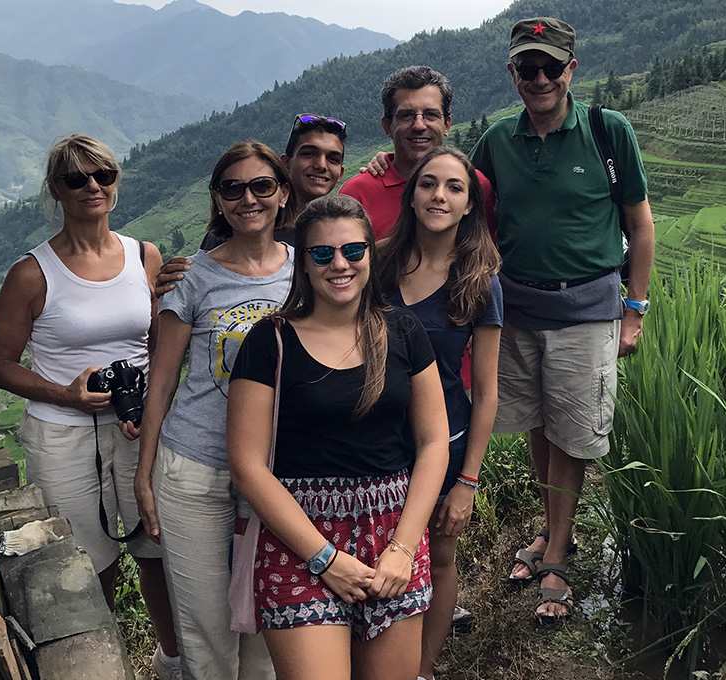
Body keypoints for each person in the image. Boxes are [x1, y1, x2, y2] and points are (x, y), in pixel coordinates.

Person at [469, 17, 655, 622]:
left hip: (587, 309)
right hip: (518, 308)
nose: (541, 78)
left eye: (552, 66)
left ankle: (555, 553)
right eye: (529, 68)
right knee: (537, 421)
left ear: (571, 69)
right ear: (513, 74)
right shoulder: (498, 141)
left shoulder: (608, 131)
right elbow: (470, 216)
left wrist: (635, 309)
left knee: (573, 428)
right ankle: (557, 532)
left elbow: (641, 224)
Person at [228, 194, 449, 680]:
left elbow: (434, 441)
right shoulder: (271, 341)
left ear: (371, 252)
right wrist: (324, 558)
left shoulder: (404, 331)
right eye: (323, 254)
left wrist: (404, 548)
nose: (340, 264)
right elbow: (247, 464)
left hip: (392, 531)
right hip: (299, 538)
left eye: (353, 250)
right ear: (303, 263)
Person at [0, 134, 180, 678]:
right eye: (76, 178)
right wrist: (65, 394)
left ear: (116, 181)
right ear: (57, 189)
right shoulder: (34, 272)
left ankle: (170, 660)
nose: (92, 186)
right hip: (63, 435)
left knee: (154, 548)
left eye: (103, 174)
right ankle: (97, 664)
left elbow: (158, 342)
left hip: (136, 425)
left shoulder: (144, 255)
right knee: (86, 560)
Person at [134, 141, 294, 679]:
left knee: (267, 619)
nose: (248, 198)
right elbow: (162, 382)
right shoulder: (191, 278)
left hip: (276, 472)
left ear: (283, 193)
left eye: (261, 186)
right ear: (218, 201)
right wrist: (145, 473)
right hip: (194, 468)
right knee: (206, 626)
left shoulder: (306, 270)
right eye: (233, 188)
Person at [377, 146, 502, 680]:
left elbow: (488, 391)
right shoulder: (375, 261)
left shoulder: (478, 280)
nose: (439, 196)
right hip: (373, 439)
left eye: (454, 188)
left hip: (443, 444)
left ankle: (422, 669)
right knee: (379, 552)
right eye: (429, 184)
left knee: (440, 556)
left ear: (470, 205)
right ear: (411, 193)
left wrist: (468, 480)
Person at [157, 114, 346, 295]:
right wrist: (179, 280)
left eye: (332, 159)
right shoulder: (241, 224)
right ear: (285, 163)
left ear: (341, 173)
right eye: (309, 154)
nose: (321, 165)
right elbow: (203, 280)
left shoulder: (334, 234)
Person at [338, 66, 496, 240]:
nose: (419, 125)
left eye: (430, 115)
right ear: (387, 126)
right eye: (407, 115)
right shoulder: (358, 193)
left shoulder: (476, 186)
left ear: (447, 125)